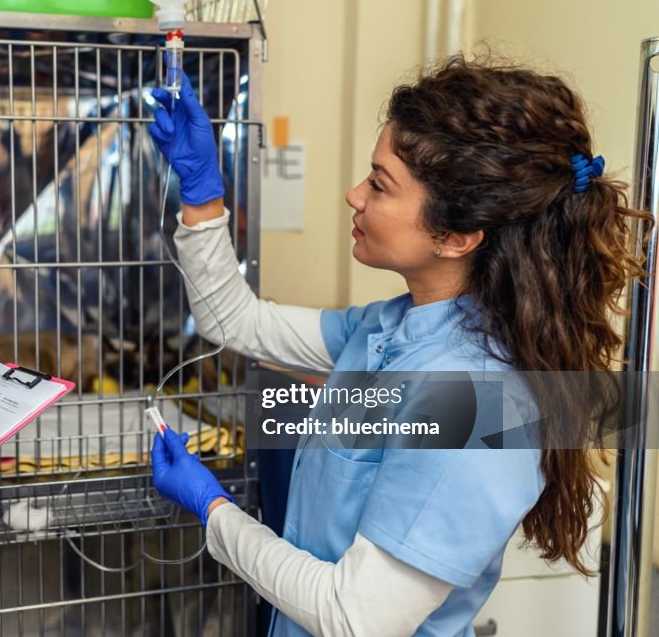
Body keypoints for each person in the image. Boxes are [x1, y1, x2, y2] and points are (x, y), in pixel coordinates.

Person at [148, 59, 648, 636]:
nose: (353, 195)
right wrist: (203, 193)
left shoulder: (478, 402)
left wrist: (213, 510)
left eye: (379, 184)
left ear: (455, 237)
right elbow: (234, 320)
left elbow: (353, 617)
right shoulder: (393, 327)